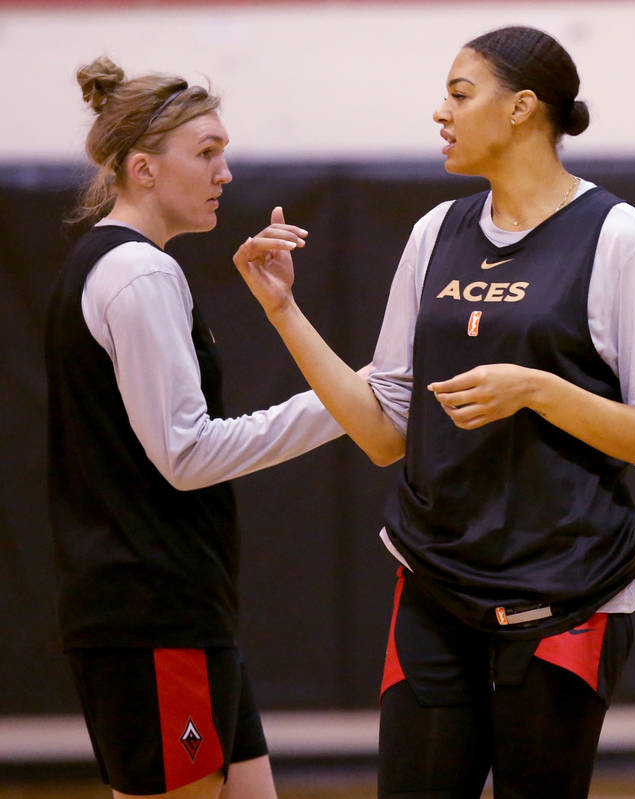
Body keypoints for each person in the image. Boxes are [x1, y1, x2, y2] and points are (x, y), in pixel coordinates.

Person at [233, 25, 635, 798]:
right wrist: (285, 312)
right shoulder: (434, 234)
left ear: (523, 108)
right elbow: (386, 432)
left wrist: (539, 389)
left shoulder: (622, 239)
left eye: (459, 94)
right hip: (435, 581)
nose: (440, 114)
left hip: (567, 592)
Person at [45, 57, 346, 798]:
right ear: (143, 169)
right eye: (207, 153)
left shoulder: (119, 266)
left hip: (183, 608)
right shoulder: (139, 275)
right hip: (151, 616)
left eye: (225, 152)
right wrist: (342, 401)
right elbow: (186, 453)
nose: (226, 172)